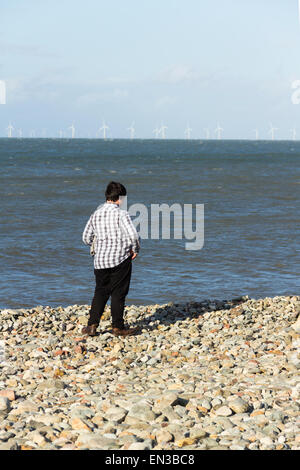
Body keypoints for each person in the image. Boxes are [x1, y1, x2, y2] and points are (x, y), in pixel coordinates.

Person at [82, 181, 140, 337]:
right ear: (120, 198)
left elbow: (86, 237)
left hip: (100, 260)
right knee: (118, 293)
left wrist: (98, 244)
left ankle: (92, 325)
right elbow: (133, 235)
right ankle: (117, 327)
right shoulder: (122, 214)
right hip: (120, 258)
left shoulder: (96, 213)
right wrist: (135, 249)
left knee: (100, 291)